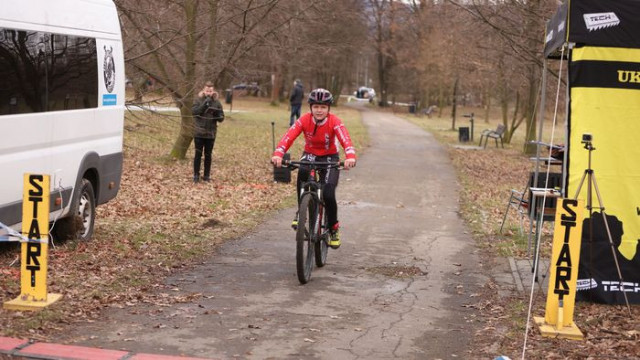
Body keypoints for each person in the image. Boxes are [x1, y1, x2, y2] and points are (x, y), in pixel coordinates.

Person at [272, 88, 356, 249]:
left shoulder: (335, 122)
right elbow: (289, 136)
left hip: (330, 157)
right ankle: (300, 211)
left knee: (328, 193)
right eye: (316, 107)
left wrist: (350, 156)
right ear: (310, 107)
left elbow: (346, 139)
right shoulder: (304, 120)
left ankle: (333, 228)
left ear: (328, 109)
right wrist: (278, 153)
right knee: (302, 171)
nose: (319, 110)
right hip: (310, 154)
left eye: (323, 107)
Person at [192, 81, 224, 183]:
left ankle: (206, 175)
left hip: (211, 133)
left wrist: (217, 114)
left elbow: (221, 118)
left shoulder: (217, 102)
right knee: (198, 154)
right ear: (203, 90)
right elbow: (194, 112)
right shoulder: (197, 100)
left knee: (208, 155)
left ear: (213, 91)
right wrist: (205, 104)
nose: (209, 93)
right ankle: (196, 175)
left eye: (210, 91)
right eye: (207, 91)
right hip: (199, 132)